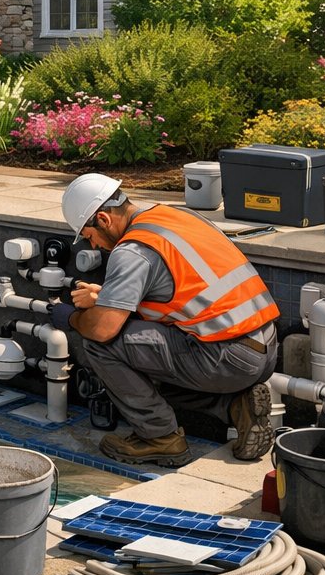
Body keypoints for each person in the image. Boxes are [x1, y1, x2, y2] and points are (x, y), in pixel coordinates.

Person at [47, 173, 278, 467]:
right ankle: (234, 406)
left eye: (90, 237)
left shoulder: (132, 251)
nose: (94, 248)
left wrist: (73, 319)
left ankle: (160, 438)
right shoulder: (174, 216)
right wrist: (108, 297)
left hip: (227, 358)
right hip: (264, 345)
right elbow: (183, 291)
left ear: (103, 219)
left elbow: (104, 329)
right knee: (146, 373)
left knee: (101, 345)